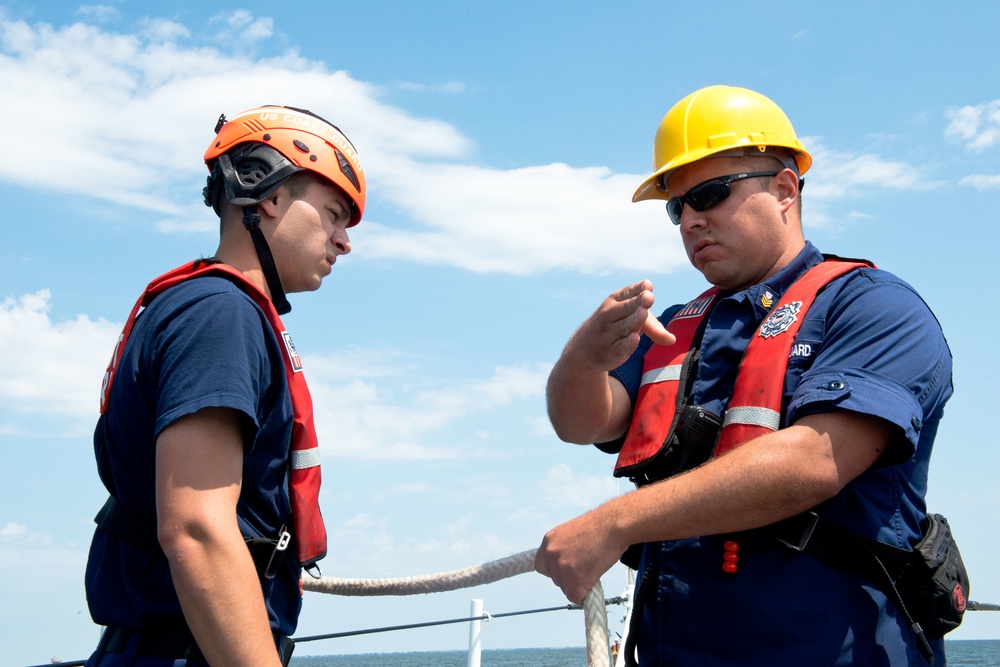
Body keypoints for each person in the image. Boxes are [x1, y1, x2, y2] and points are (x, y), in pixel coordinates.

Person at [534, 85, 954, 665]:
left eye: (708, 195)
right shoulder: (676, 329)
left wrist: (615, 523)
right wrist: (583, 356)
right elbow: (579, 424)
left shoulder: (874, 308)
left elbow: (814, 462)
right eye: (676, 207)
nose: (690, 220)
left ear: (784, 189)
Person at [83, 105, 366, 667]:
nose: (343, 242)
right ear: (269, 194)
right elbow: (196, 528)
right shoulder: (219, 317)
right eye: (334, 214)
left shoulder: (205, 308)